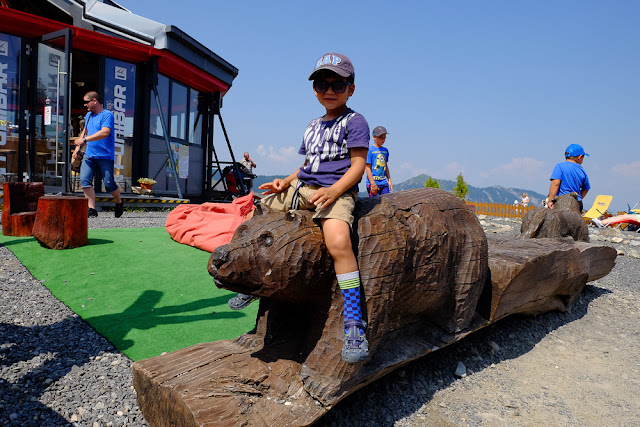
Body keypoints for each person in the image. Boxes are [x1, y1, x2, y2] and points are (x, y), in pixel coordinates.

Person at [228, 52, 370, 363]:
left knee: (338, 242)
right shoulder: (313, 125)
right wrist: (286, 181)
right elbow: (308, 165)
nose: (329, 90)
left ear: (351, 89)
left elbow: (358, 165)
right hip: (302, 188)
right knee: (256, 215)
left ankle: (354, 321)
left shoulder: (355, 121)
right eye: (322, 84)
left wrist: (334, 191)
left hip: (335, 191)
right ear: (314, 89)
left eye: (337, 84)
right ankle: (251, 282)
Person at [73, 91, 123, 218]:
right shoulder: (88, 115)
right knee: (85, 181)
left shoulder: (107, 115)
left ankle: (119, 202)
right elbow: (85, 132)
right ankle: (92, 209)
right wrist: (77, 148)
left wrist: (85, 140)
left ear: (94, 101)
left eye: (86, 102)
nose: (85, 105)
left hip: (105, 156)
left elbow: (105, 132)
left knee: (109, 184)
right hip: (89, 155)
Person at [547, 144, 591, 212]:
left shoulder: (560, 166)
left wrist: (550, 200)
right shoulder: (582, 170)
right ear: (579, 157)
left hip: (561, 202)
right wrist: (578, 198)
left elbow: (555, 183)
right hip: (576, 204)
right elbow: (586, 188)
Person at [365, 126, 392, 197]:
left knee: (387, 200)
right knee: (375, 202)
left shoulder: (385, 150)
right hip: (373, 183)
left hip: (384, 182)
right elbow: (367, 167)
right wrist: (372, 184)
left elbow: (385, 166)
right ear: (374, 137)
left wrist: (389, 180)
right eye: (381, 137)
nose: (383, 140)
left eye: (384, 137)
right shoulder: (370, 150)